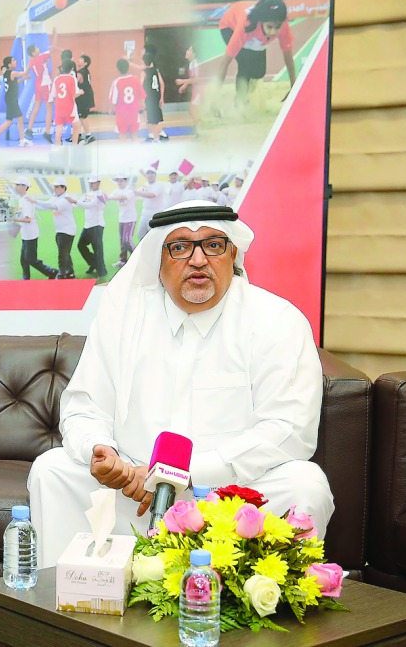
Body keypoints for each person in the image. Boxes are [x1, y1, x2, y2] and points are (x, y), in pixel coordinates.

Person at [27, 200, 333, 565]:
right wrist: (102, 452)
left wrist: (184, 474)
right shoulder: (124, 314)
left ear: (232, 253)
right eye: (181, 247)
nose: (199, 260)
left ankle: (264, 608)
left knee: (304, 483)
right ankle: (68, 607)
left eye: (213, 245)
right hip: (132, 493)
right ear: (159, 258)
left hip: (226, 495)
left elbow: (289, 429)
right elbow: (84, 405)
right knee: (52, 470)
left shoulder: (276, 320)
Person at [217, 0, 296, 107]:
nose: (273, 32)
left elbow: (288, 58)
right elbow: (225, 63)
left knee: (259, 72)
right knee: (245, 64)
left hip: (255, 34)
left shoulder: (283, 27)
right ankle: (240, 101)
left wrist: (294, 86)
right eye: (269, 27)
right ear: (261, 21)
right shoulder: (246, 26)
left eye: (277, 27)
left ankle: (246, 91)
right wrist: (214, 98)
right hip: (230, 26)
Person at [11, 176, 59, 280]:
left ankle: (51, 271)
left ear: (24, 187)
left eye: (17, 185)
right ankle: (26, 277)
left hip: (30, 234)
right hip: (26, 234)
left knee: (30, 259)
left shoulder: (26, 201)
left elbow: (28, 219)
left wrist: (15, 219)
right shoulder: (22, 199)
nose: (15, 187)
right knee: (23, 259)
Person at [0, 56, 32, 147]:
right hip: (12, 100)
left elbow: (14, 83)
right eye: (13, 60)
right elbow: (25, 72)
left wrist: (23, 79)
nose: (15, 61)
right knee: (19, 118)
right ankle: (22, 140)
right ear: (9, 64)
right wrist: (31, 63)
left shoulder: (6, 73)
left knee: (10, 121)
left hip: (10, 100)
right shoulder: (12, 73)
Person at [44, 177, 78, 278]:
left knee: (62, 254)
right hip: (61, 230)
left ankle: (62, 274)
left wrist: (34, 202)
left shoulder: (65, 199)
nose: (55, 188)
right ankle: (70, 272)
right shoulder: (56, 198)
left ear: (63, 188)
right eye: (54, 187)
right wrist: (34, 203)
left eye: (57, 187)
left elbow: (52, 206)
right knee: (65, 252)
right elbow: (46, 205)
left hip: (67, 230)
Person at [76, 175, 108, 278]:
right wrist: (73, 202)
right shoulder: (89, 194)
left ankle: (102, 270)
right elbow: (81, 202)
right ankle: (94, 264)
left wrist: (75, 201)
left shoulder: (100, 194)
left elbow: (88, 205)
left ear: (98, 183)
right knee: (81, 245)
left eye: (93, 182)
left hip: (97, 225)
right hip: (88, 225)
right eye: (90, 182)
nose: (91, 184)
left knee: (97, 249)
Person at [110, 58, 146, 142]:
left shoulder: (116, 82)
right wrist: (142, 105)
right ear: (128, 68)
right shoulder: (135, 79)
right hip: (134, 113)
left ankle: (124, 154)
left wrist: (112, 109)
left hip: (122, 114)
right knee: (134, 137)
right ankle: (135, 154)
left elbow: (113, 100)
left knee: (122, 137)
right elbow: (142, 95)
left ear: (117, 69)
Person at [23, 44, 54, 141]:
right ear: (34, 52)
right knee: (49, 108)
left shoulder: (31, 61)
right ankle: (47, 132)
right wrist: (55, 35)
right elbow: (51, 49)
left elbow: (26, 72)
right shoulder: (42, 57)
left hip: (38, 84)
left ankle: (29, 129)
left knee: (36, 107)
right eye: (37, 48)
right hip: (45, 84)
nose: (38, 48)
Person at [108, 173, 137, 268]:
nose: (119, 183)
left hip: (130, 219)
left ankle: (137, 259)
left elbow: (123, 197)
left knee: (127, 240)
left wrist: (109, 197)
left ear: (125, 181)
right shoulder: (116, 191)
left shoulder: (129, 190)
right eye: (118, 181)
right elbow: (108, 197)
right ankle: (123, 260)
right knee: (122, 241)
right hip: (122, 219)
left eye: (121, 181)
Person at [134, 167, 168, 242]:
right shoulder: (145, 185)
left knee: (155, 238)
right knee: (140, 235)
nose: (150, 175)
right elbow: (135, 193)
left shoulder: (159, 185)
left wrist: (137, 192)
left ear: (155, 175)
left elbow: (152, 195)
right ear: (146, 175)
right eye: (148, 173)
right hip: (144, 215)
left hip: (155, 216)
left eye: (152, 173)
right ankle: (144, 251)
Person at [52, 60, 80, 146]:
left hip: (59, 105)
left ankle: (57, 145)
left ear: (62, 68)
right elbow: (74, 94)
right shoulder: (72, 78)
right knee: (76, 125)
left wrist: (57, 104)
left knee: (59, 126)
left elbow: (53, 95)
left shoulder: (57, 79)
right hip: (70, 105)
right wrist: (81, 92)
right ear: (72, 69)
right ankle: (74, 145)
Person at [142, 48, 166, 143]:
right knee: (151, 117)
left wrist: (141, 99)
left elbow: (140, 86)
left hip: (149, 98)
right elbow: (162, 84)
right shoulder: (156, 71)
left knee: (152, 119)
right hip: (156, 96)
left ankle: (156, 138)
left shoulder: (144, 72)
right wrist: (162, 97)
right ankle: (152, 136)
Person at [74, 54, 96, 144]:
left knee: (82, 117)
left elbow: (74, 83)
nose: (78, 60)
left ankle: (87, 135)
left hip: (83, 97)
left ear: (85, 63)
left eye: (81, 59)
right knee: (82, 117)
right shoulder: (86, 71)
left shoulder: (80, 73)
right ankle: (82, 135)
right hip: (87, 96)